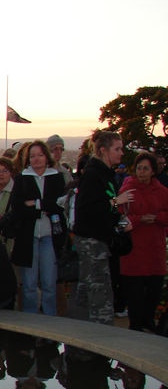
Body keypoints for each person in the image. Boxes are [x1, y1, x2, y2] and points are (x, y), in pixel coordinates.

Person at [70, 131, 135, 325]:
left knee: (90, 288)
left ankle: (83, 331)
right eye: (117, 149)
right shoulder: (93, 175)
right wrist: (116, 201)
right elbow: (90, 209)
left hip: (100, 240)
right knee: (99, 291)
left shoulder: (106, 174)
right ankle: (99, 333)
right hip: (92, 242)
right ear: (103, 150)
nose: (121, 153)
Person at [8, 140, 67, 315]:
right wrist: (42, 208)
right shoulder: (22, 179)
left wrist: (36, 204)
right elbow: (18, 207)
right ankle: (30, 321)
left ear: (46, 157)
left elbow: (59, 205)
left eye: (40, 155)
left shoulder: (56, 178)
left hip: (50, 235)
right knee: (29, 284)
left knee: (49, 283)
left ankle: (49, 321)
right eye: (32, 156)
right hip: (28, 236)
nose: (36, 159)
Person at [118, 152, 168, 332]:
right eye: (139, 168)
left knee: (153, 293)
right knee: (135, 295)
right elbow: (120, 218)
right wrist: (139, 220)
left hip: (155, 249)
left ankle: (148, 324)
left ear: (153, 171)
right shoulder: (127, 190)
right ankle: (136, 326)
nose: (142, 172)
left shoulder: (162, 192)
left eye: (145, 168)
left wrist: (156, 217)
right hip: (134, 251)